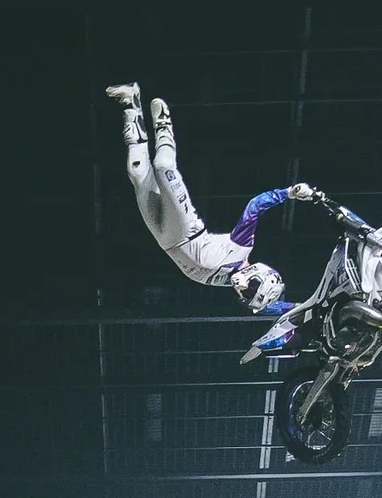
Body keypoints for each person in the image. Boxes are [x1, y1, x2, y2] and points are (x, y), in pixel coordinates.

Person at [107, 84, 311, 344]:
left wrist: (305, 307)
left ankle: (130, 102)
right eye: (250, 288)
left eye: (244, 296)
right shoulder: (241, 247)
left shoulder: (232, 282)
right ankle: (164, 126)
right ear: (259, 274)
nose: (241, 290)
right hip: (184, 228)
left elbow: (272, 307)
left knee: (137, 172)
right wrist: (289, 193)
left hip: (163, 239)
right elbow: (255, 206)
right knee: (162, 165)